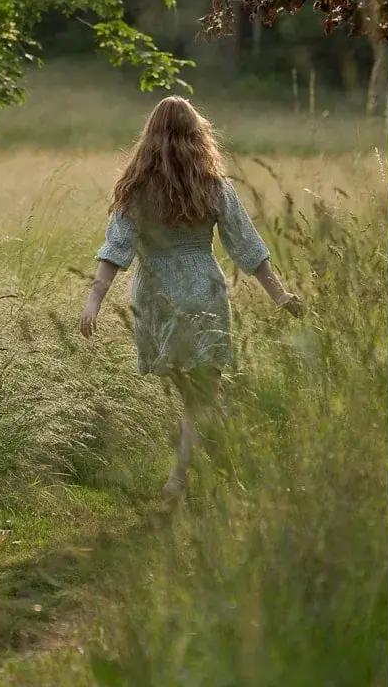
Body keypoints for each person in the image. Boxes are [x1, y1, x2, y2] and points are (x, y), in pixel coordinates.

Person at [79, 96, 301, 503]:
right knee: (203, 398)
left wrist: (93, 301)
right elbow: (248, 248)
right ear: (199, 136)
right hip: (203, 291)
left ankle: (218, 474)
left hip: (155, 295)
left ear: (150, 137)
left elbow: (116, 250)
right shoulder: (214, 187)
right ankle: (183, 480)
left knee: (197, 397)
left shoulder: (135, 190)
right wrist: (280, 295)